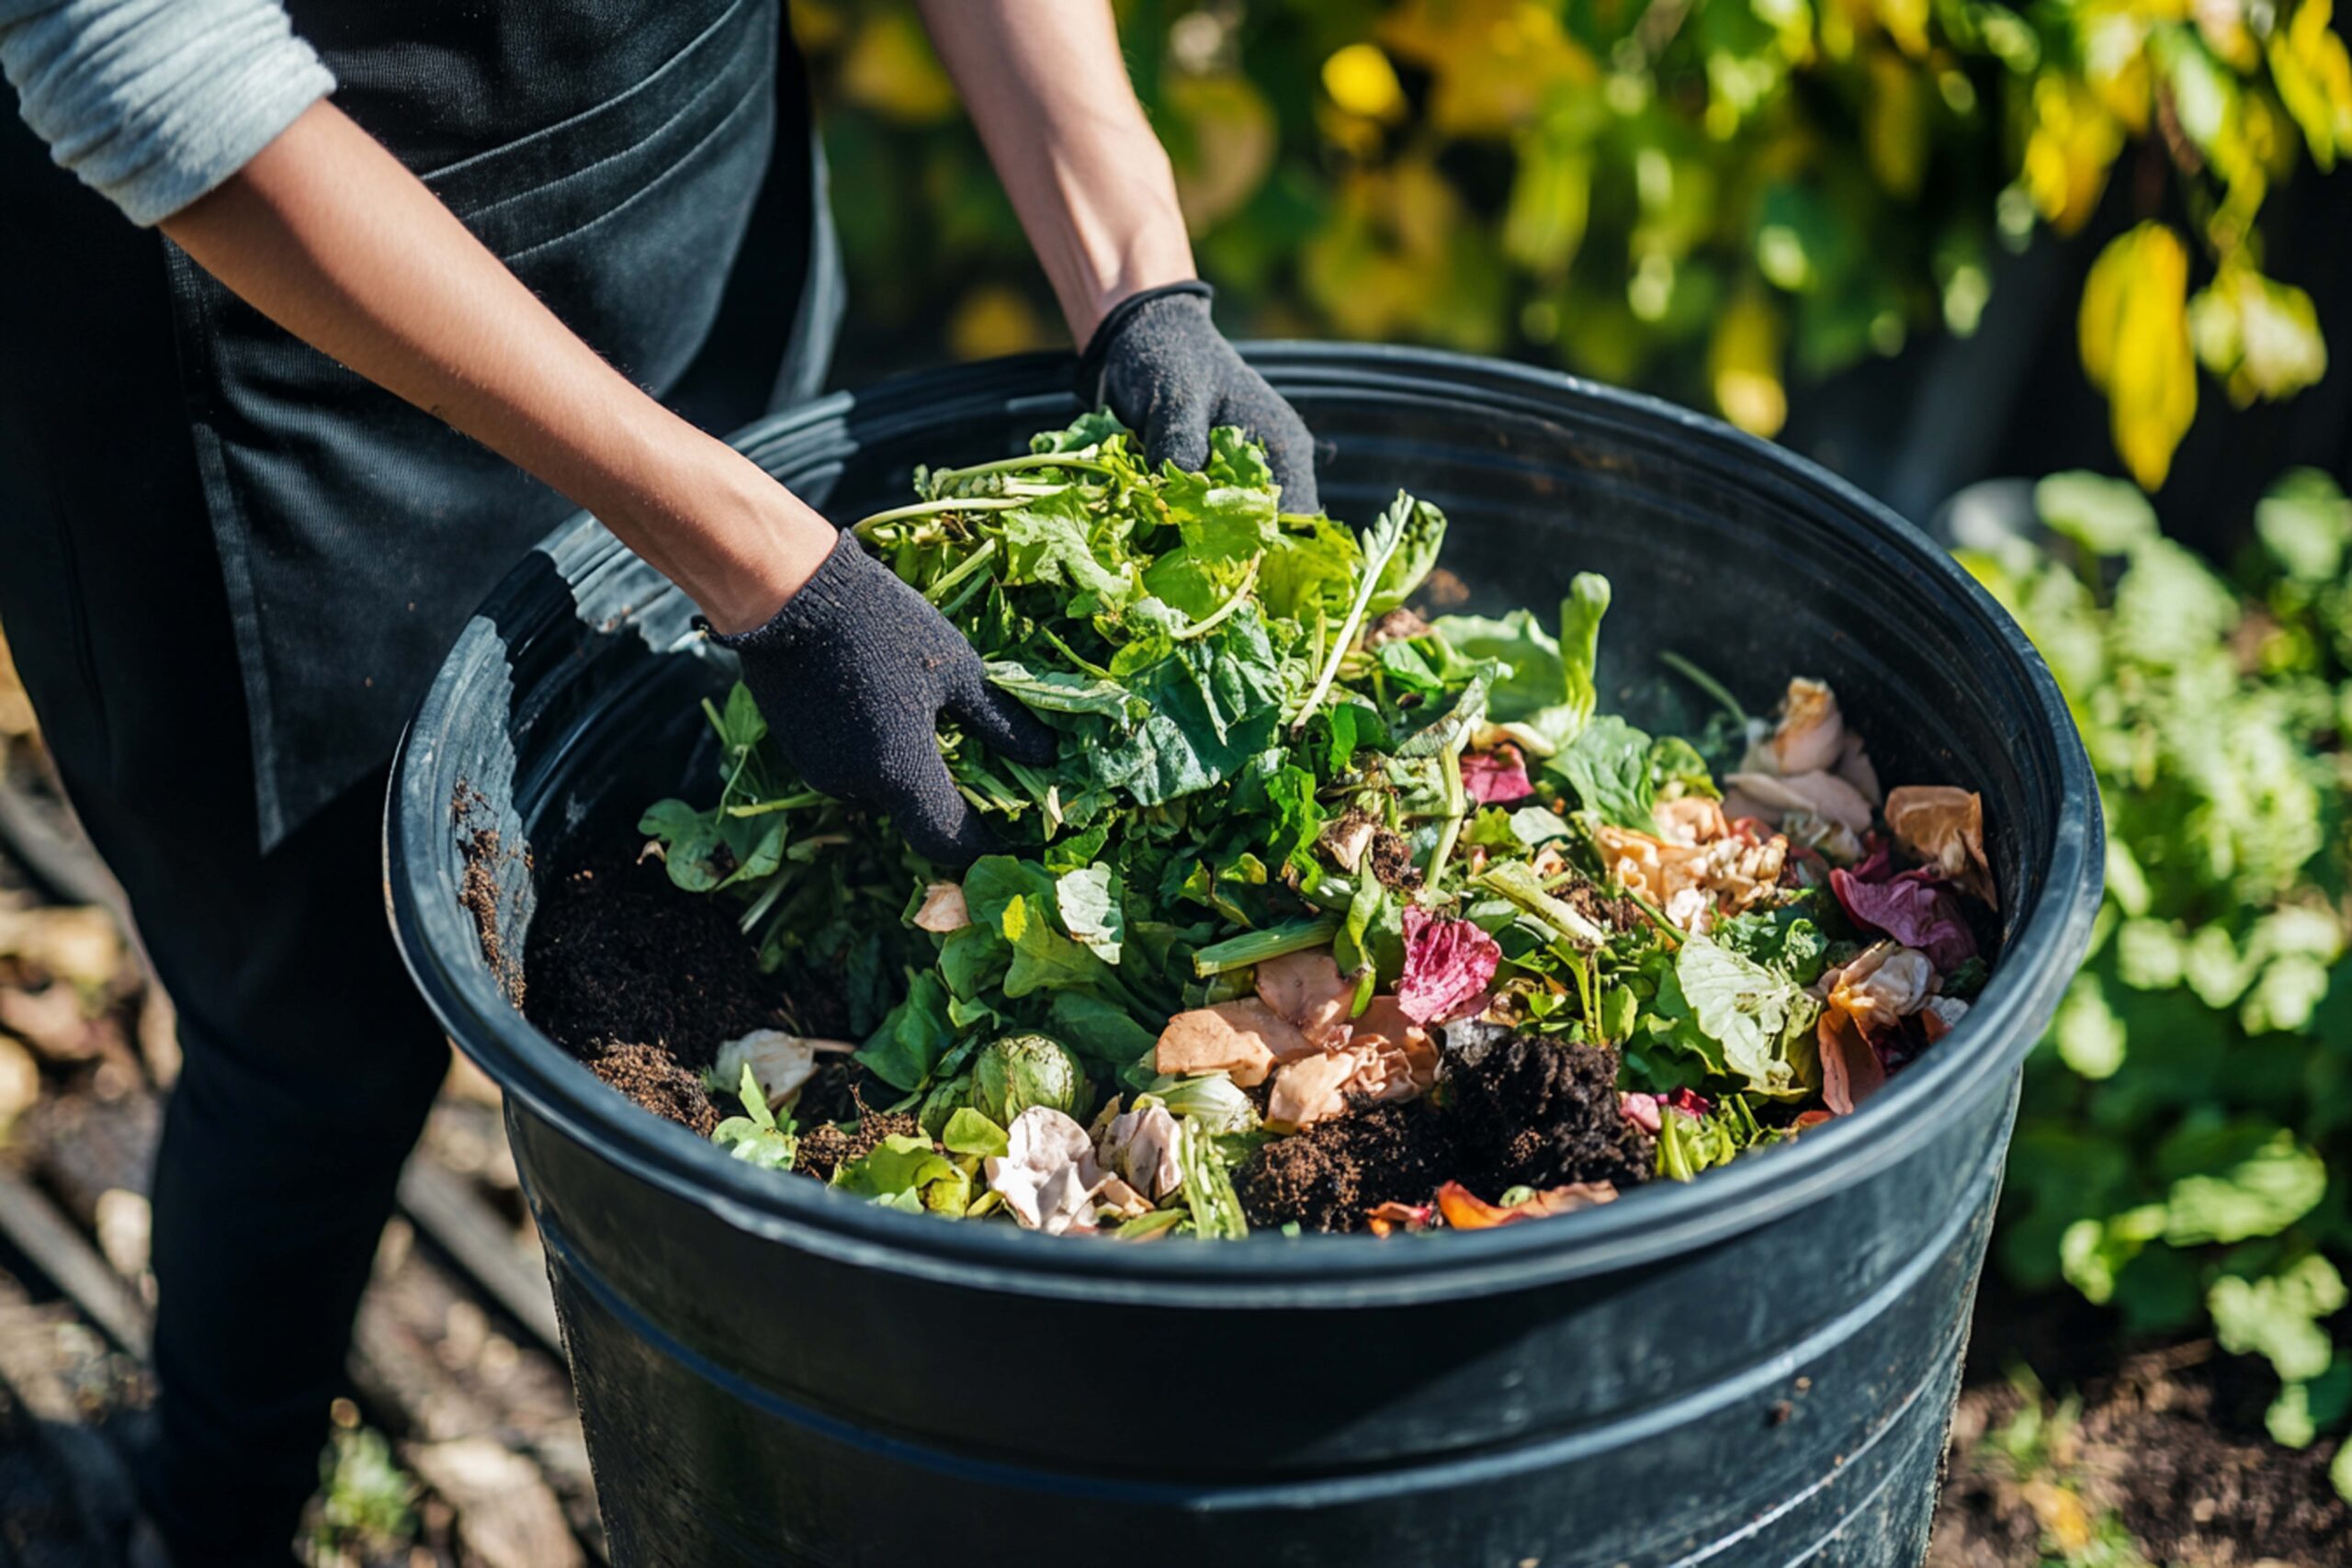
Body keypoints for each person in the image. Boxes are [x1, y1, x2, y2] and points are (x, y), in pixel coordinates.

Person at [0, 0, 1319, 1559]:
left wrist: (1140, 286)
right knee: (308, 1037)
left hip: (677, 186)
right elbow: (143, 59)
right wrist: (760, 561)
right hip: (273, 339)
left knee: (772, 875)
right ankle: (205, 1506)